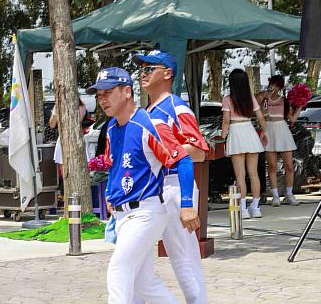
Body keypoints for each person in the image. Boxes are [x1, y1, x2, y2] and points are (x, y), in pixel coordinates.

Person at [90, 67, 199, 304]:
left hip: (145, 212)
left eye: (107, 92)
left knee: (118, 271)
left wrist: (187, 204)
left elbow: (184, 160)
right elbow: (116, 165)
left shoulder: (150, 124)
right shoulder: (111, 128)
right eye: (99, 95)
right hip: (123, 215)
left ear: (127, 91)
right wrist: (111, 193)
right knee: (143, 283)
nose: (102, 100)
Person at [135, 51, 208, 304]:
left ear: (167, 73)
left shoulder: (177, 107)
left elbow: (198, 151)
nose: (142, 73)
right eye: (141, 69)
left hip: (176, 185)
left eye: (149, 68)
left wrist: (158, 151)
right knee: (136, 255)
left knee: (184, 258)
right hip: (152, 191)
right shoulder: (145, 110)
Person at [221, 68, 269, 218]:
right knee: (254, 173)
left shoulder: (227, 99)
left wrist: (222, 138)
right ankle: (255, 207)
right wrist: (264, 132)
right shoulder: (251, 98)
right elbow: (261, 118)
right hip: (250, 131)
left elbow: (226, 121)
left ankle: (242, 209)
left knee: (240, 174)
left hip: (236, 132)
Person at [257, 75, 301, 206]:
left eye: (276, 85)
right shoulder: (263, 98)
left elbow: (292, 119)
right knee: (271, 166)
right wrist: (263, 94)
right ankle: (275, 196)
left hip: (283, 130)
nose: (274, 88)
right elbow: (254, 103)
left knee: (289, 165)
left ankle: (289, 194)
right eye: (272, 84)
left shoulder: (284, 101)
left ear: (280, 87)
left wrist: (300, 106)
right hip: (268, 130)